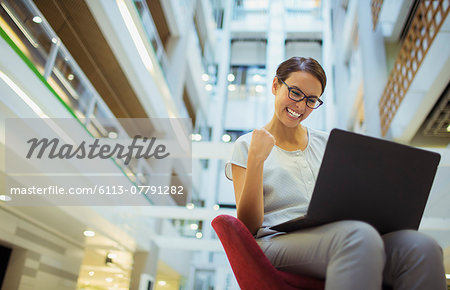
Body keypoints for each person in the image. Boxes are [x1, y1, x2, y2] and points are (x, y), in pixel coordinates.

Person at [225, 57, 447, 290]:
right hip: (275, 243)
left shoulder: (329, 142)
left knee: (422, 247)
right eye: (295, 93)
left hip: (338, 234)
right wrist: (256, 159)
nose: (300, 106)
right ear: (275, 86)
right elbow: (248, 228)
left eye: (311, 100)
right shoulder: (247, 145)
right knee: (358, 237)